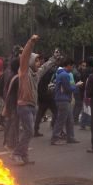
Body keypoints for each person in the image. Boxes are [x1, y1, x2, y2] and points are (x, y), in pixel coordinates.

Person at [12, 35, 57, 166]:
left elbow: (45, 67)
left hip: (32, 106)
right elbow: (25, 56)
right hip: (24, 106)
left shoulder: (35, 74)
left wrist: (54, 59)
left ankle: (24, 156)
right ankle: (16, 153)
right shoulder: (24, 71)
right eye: (36, 61)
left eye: (39, 61)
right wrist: (31, 42)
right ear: (31, 62)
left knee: (29, 132)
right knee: (30, 131)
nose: (39, 63)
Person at [50, 58, 79, 145]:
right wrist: (76, 86)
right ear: (68, 65)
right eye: (72, 66)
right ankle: (55, 138)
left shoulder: (61, 74)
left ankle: (70, 137)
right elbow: (68, 89)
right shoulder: (65, 75)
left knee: (69, 119)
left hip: (63, 99)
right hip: (63, 100)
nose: (73, 68)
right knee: (61, 120)